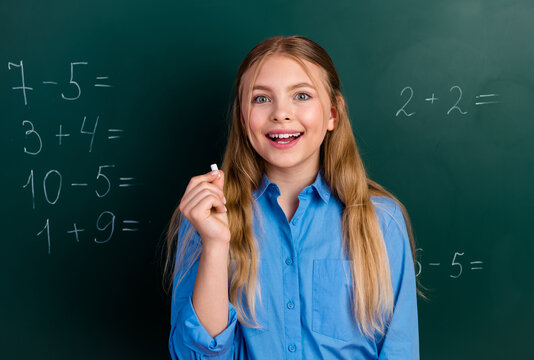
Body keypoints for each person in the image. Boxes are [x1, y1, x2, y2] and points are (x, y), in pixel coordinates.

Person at [162, 35, 420, 359]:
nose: (281, 113)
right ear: (243, 119)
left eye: (301, 95)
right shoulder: (208, 216)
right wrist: (215, 245)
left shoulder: (382, 221)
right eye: (260, 99)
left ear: (332, 114)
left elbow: (400, 350)